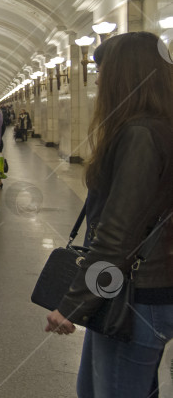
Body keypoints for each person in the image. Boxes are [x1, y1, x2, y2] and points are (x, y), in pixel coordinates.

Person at [44, 32, 173, 398]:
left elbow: (117, 235)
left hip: (133, 300)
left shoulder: (139, 135)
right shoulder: (159, 128)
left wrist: (72, 304)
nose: (96, 79)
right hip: (140, 295)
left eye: (100, 69)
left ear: (124, 73)